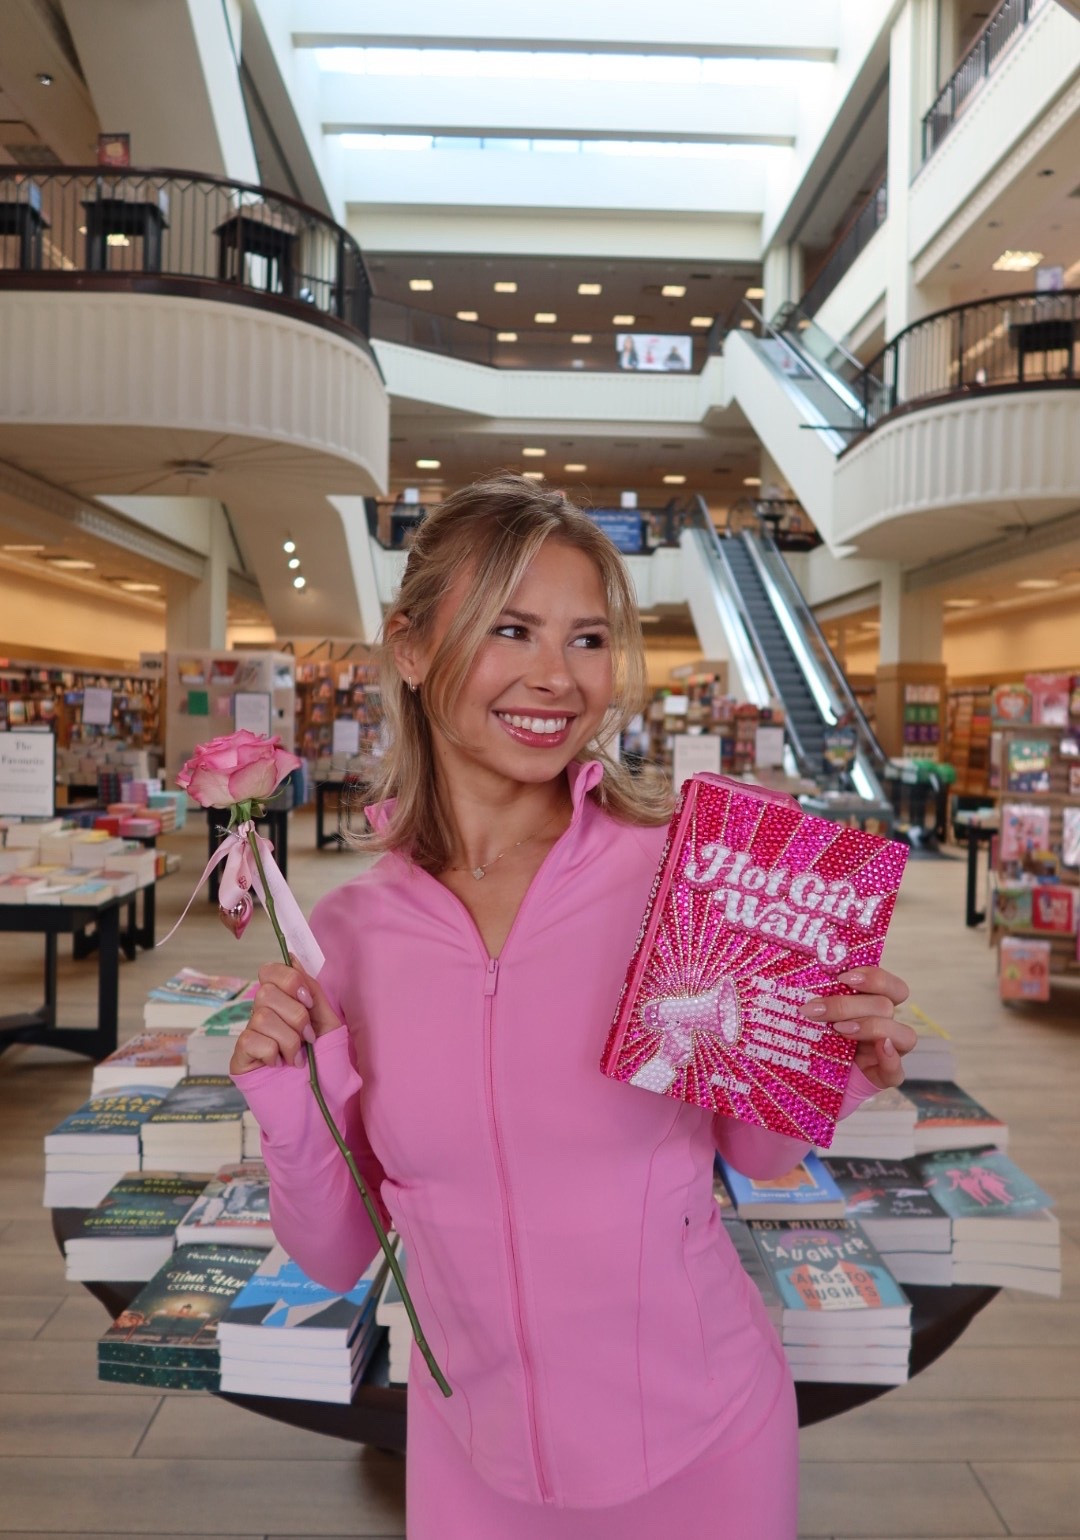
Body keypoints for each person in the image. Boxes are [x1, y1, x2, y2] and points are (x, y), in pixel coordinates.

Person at [230, 475, 915, 1539]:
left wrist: (832, 1055)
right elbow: (331, 1254)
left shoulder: (678, 879)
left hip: (709, 1444)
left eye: (588, 639)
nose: (558, 678)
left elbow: (761, 1156)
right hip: (472, 1463)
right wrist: (285, 1094)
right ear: (411, 650)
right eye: (512, 630)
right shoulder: (352, 938)